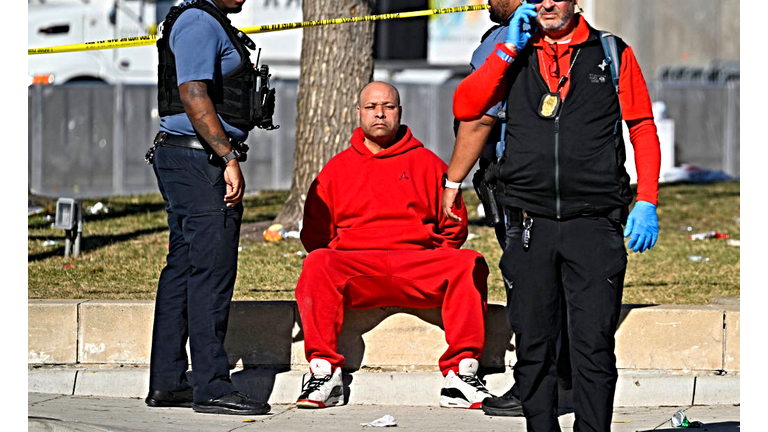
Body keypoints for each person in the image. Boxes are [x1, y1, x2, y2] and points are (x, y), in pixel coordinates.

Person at [445, 1, 661, 430]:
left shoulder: (612, 52)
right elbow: (467, 106)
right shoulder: (513, 51)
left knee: (593, 348)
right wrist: (507, 49)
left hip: (594, 222)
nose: (547, 3)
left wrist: (647, 200)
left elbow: (641, 126)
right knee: (533, 347)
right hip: (529, 223)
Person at [294, 81, 492, 410]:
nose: (380, 113)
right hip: (358, 271)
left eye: (388, 106)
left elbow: (454, 228)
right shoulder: (336, 169)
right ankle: (324, 373)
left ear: (399, 112)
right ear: (359, 113)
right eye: (371, 107)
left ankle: (461, 375)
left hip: (417, 268)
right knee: (318, 263)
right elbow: (316, 236)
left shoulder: (429, 163)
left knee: (468, 262)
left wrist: (429, 255)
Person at [144, 0, 271, 416]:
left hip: (190, 158)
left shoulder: (204, 18)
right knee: (211, 273)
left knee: (184, 270)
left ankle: (168, 382)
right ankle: (212, 386)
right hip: (199, 161)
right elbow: (193, 92)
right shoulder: (198, 21)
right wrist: (227, 157)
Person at [452, 0, 571, 417]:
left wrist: (453, 181)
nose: (487, 0)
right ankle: (562, 372)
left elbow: (480, 116)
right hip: (549, 181)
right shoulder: (561, 36)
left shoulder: (513, 38)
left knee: (529, 286)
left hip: (520, 182)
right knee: (554, 281)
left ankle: (534, 386)